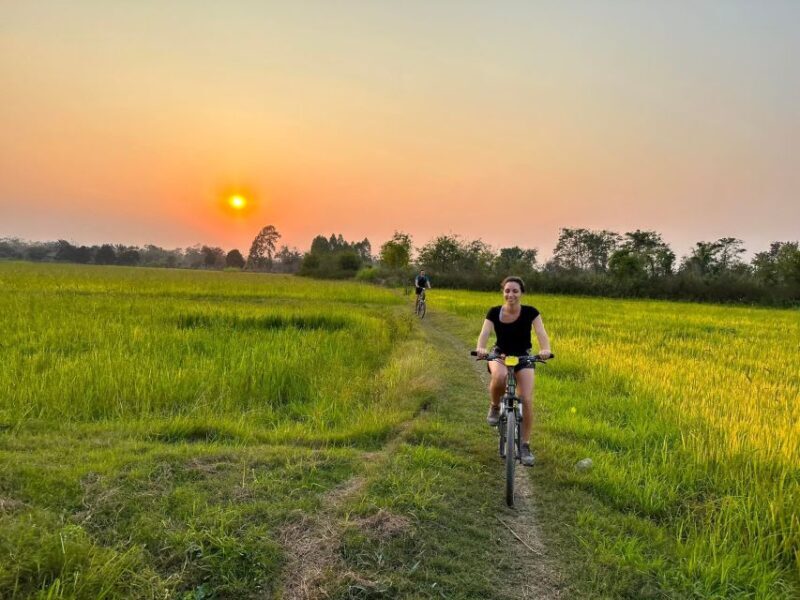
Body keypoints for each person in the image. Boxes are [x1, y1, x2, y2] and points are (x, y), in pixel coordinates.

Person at [475, 276, 551, 467]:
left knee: (525, 398)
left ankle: (524, 445)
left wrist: (545, 349)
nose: (511, 294)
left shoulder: (531, 312)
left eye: (515, 291)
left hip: (523, 357)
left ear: (521, 293)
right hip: (500, 355)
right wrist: (482, 349)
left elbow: (541, 332)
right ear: (503, 292)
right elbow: (484, 333)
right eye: (507, 290)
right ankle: (494, 405)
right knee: (499, 376)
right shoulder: (494, 312)